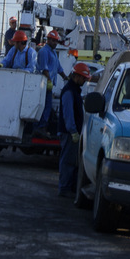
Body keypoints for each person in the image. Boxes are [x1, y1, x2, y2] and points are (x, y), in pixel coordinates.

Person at [57, 62, 91, 198]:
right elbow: (68, 114)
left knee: (70, 161)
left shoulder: (74, 91)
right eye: (83, 78)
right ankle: (64, 188)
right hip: (69, 134)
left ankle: (67, 187)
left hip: (71, 133)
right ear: (76, 76)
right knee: (68, 161)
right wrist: (73, 132)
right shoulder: (69, 92)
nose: (84, 81)